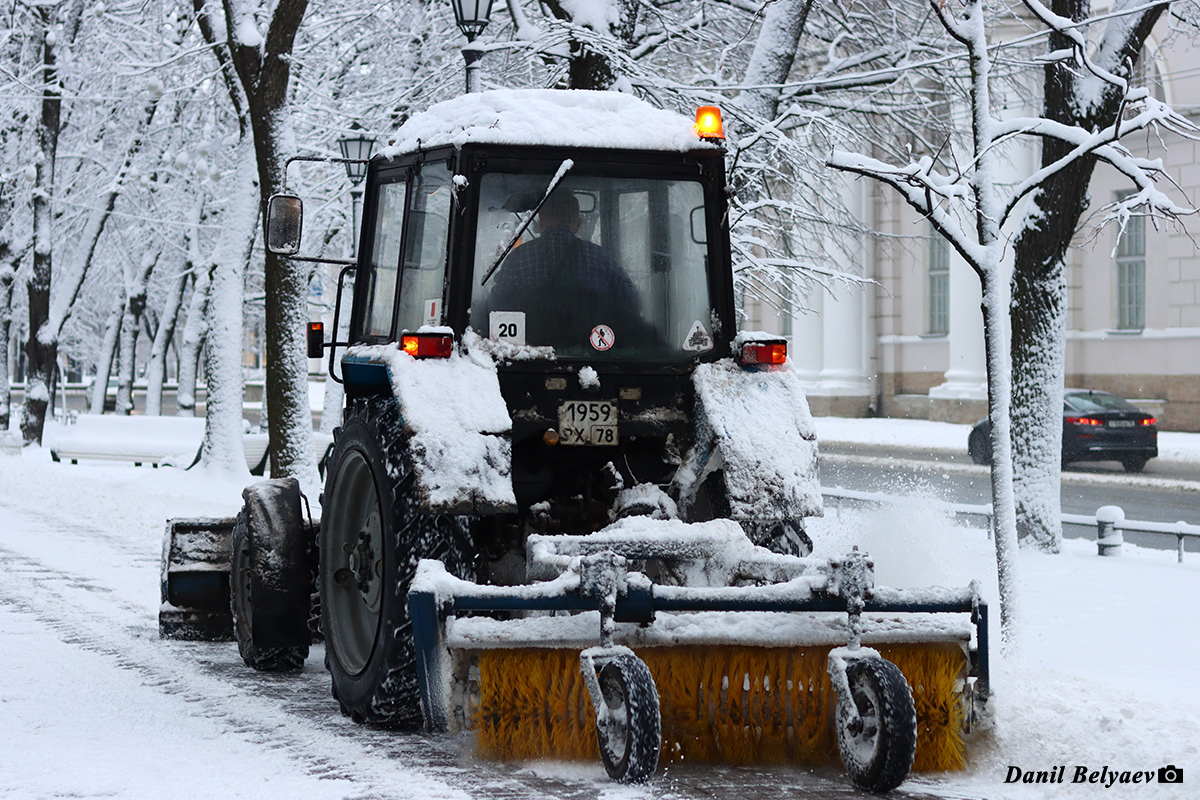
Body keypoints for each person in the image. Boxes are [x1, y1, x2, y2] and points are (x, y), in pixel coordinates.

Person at [485, 190, 643, 351]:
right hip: (593, 358)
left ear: (540, 223)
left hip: (531, 358)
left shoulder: (518, 258)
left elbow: (497, 306)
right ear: (578, 224)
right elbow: (630, 303)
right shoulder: (602, 258)